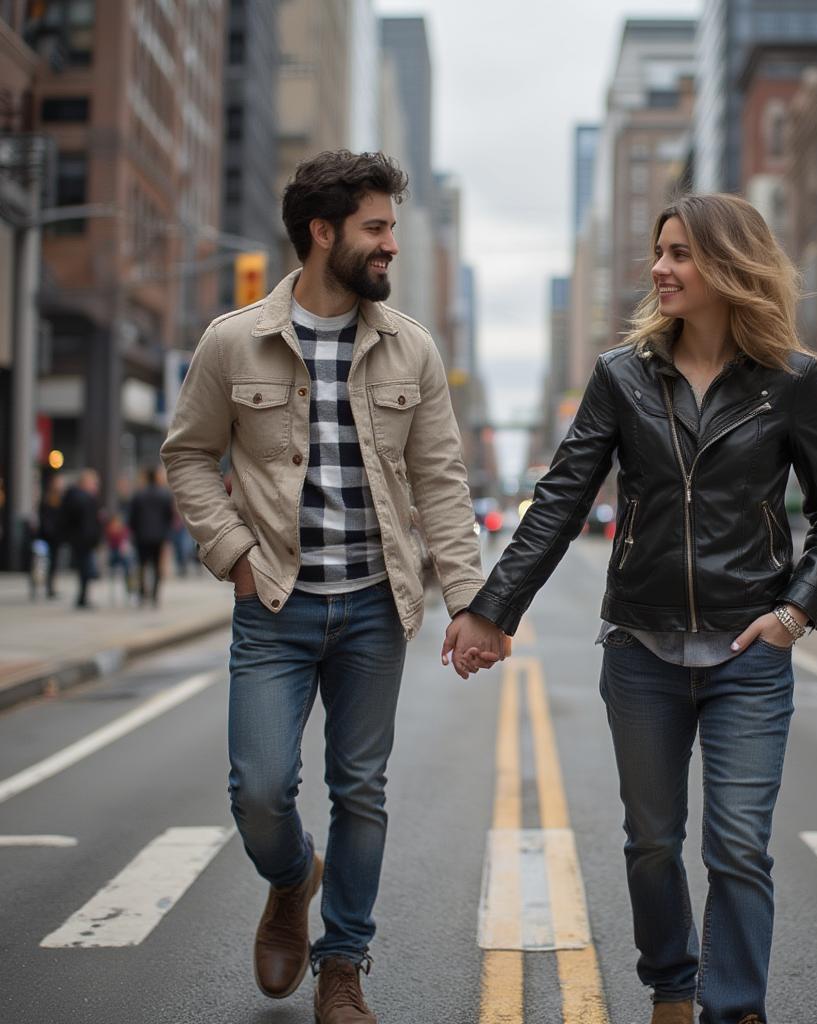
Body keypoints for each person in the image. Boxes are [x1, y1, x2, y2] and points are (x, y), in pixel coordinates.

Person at [447, 194, 817, 1024]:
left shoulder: (791, 382)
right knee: (652, 842)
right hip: (641, 650)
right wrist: (494, 608)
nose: (660, 268)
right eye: (658, 252)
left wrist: (793, 613)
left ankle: (734, 1005)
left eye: (679, 255)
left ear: (728, 266)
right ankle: (672, 984)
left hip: (750, 649)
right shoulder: (621, 377)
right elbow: (561, 500)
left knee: (740, 846)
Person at [161, 149, 505, 1024]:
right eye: (376, 229)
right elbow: (189, 456)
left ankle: (343, 963)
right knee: (263, 789)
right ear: (324, 233)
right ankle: (291, 878)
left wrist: (470, 601)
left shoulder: (410, 348)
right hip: (272, 606)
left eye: (393, 228)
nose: (389, 245)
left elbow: (441, 483)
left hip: (373, 610)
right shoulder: (234, 339)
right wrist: (233, 551)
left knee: (362, 788)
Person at [129, 466, 174, 606]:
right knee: (156, 566)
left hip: (141, 536)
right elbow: (169, 516)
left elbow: (132, 517)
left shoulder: (138, 494)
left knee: (142, 565)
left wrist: (135, 531)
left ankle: (143, 593)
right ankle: (155, 594)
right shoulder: (164, 494)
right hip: (159, 536)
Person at [59, 468, 103, 609]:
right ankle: (82, 598)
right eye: (93, 483)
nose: (95, 486)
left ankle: (83, 597)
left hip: (80, 539)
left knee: (84, 569)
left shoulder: (74, 497)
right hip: (84, 539)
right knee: (86, 569)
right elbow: (87, 522)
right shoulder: (84, 498)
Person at [36, 474, 65, 599]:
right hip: (47, 535)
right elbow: (43, 518)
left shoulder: (62, 500)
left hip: (57, 536)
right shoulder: (46, 499)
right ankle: (44, 584)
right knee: (44, 561)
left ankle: (51, 586)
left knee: (54, 562)